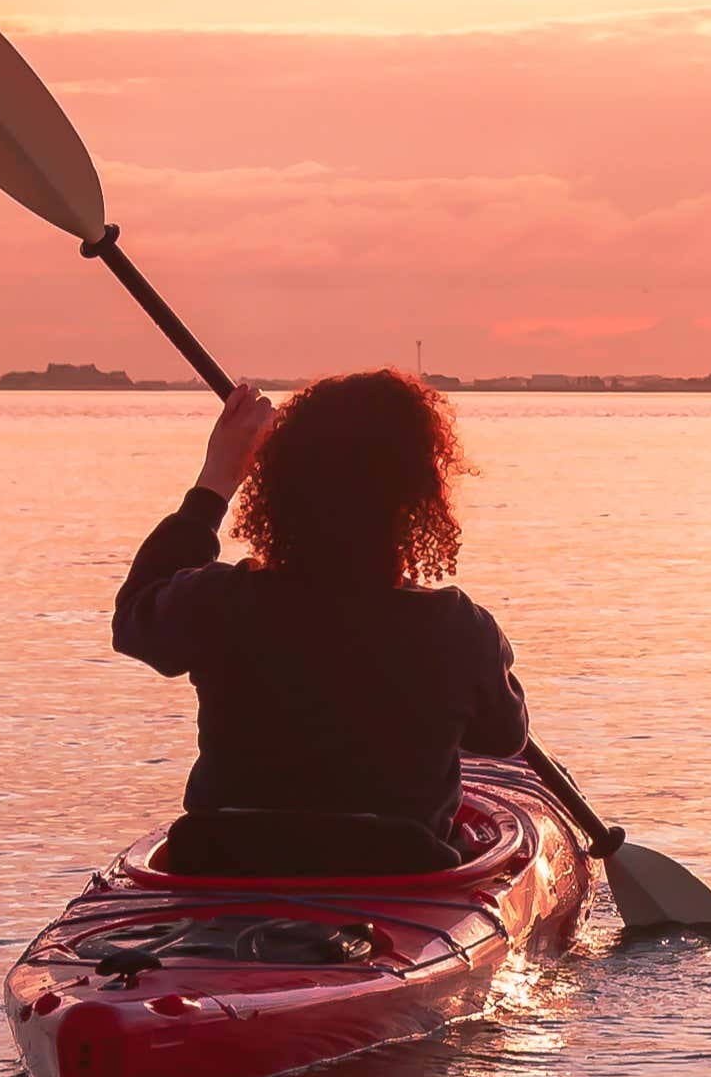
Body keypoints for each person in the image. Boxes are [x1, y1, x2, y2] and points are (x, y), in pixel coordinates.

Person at [114, 369, 530, 877]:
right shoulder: (458, 629)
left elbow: (134, 616)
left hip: (222, 860)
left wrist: (216, 480)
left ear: (277, 487)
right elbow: (504, 737)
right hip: (395, 869)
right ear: (417, 498)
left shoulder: (219, 601)